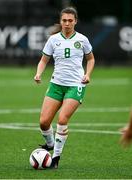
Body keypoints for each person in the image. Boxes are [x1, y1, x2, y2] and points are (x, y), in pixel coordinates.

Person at [34, 7, 95, 169]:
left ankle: (56, 158)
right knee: (43, 122)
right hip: (56, 84)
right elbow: (43, 60)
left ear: (75, 21)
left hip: (75, 85)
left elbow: (91, 59)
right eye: (64, 20)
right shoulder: (53, 39)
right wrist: (38, 74)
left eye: (70, 20)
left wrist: (87, 74)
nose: (67, 23)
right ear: (60, 22)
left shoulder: (82, 39)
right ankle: (50, 144)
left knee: (62, 120)